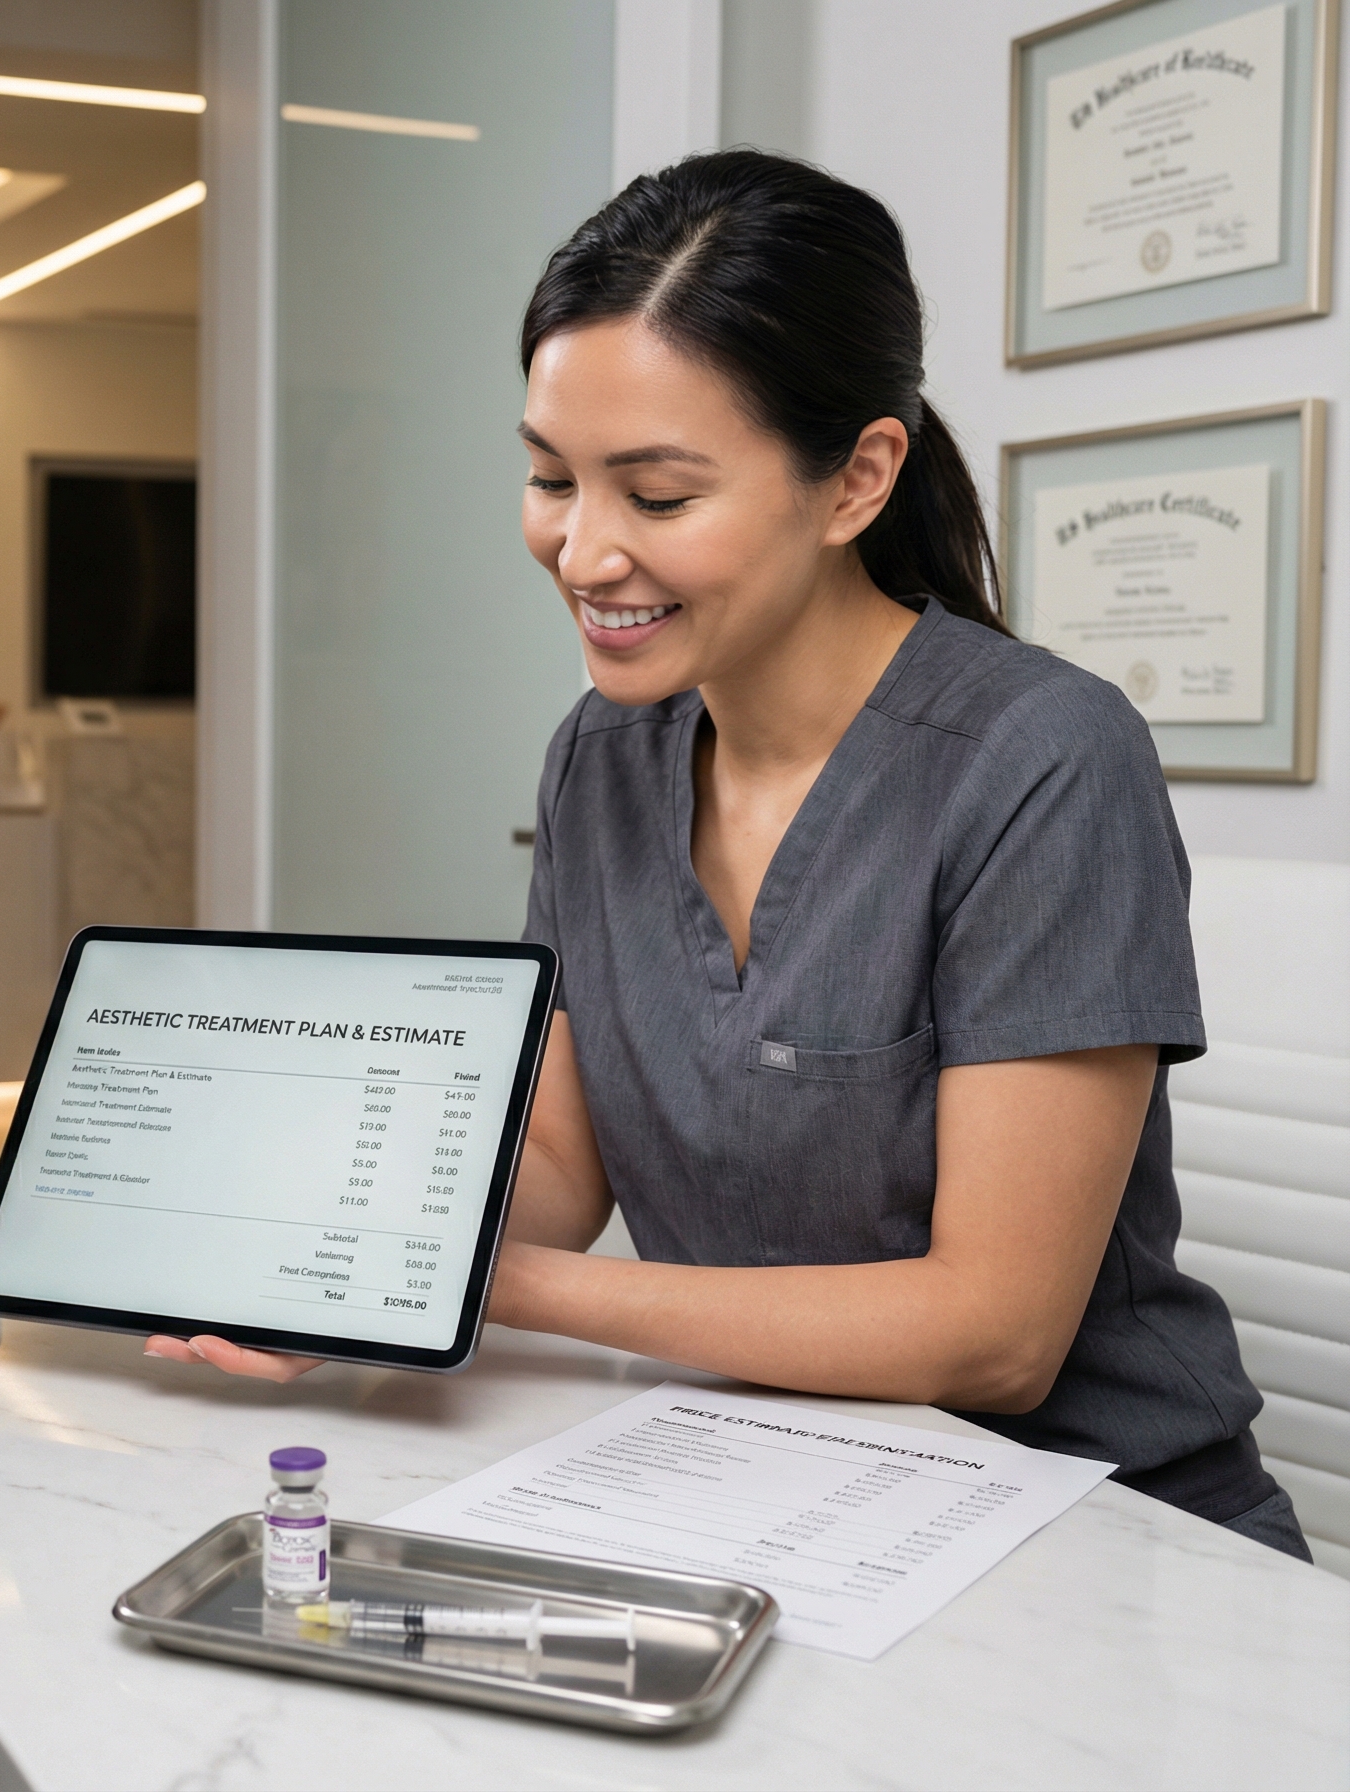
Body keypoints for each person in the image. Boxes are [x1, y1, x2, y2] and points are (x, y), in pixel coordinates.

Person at [150, 150, 1309, 1561]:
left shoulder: (1044, 758)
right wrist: (346, 1262)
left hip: (1104, 1534)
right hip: (773, 1489)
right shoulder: (603, 754)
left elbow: (994, 1336)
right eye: (547, 477)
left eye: (656, 494)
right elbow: (566, 1161)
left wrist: (483, 1287)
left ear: (857, 479)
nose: (581, 552)